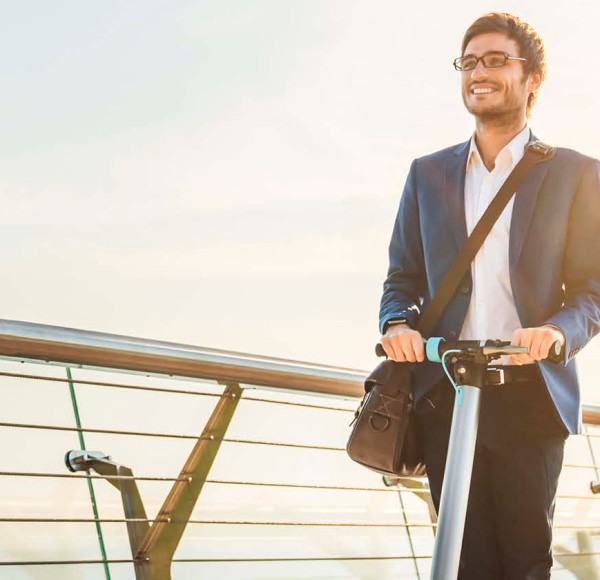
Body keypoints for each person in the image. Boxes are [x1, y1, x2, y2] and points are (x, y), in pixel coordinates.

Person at [379, 12, 600, 579]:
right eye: (469, 61)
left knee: (525, 561)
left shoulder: (578, 175)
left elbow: (592, 291)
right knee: (460, 559)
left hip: (531, 394)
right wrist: (397, 324)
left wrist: (556, 334)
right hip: (445, 394)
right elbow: (402, 277)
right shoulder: (427, 174)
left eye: (497, 60)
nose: (479, 72)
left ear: (533, 78)